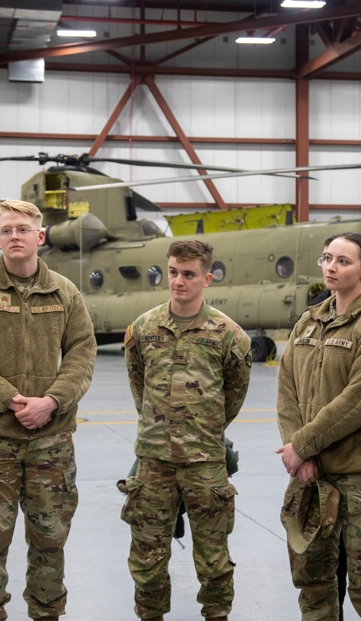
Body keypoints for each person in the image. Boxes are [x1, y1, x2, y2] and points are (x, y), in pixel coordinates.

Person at [0, 199, 97, 621]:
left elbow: (82, 354)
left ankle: (47, 614)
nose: (15, 236)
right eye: (7, 230)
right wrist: (13, 402)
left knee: (51, 540)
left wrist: (52, 402)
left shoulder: (65, 293)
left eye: (23, 229)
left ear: (40, 236)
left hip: (51, 442)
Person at [121, 239, 252, 621]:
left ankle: (217, 616)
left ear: (207, 278)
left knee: (213, 561)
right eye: (173, 272)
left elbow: (235, 391)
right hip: (153, 464)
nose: (179, 281)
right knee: (147, 558)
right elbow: (138, 383)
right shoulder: (144, 328)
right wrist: (159, 426)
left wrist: (204, 429)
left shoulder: (228, 334)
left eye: (189, 274)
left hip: (205, 465)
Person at [278, 232, 361, 620]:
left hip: (359, 480)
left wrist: (302, 446)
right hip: (309, 476)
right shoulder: (308, 321)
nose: (331, 267)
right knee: (312, 583)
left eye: (343, 261)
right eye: (327, 258)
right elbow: (287, 389)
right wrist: (298, 450)